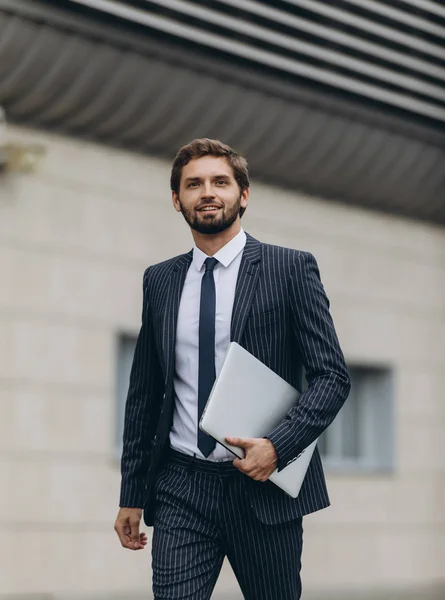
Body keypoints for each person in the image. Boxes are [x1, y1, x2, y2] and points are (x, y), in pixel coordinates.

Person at [114, 138, 350, 599]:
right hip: (181, 484)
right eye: (193, 184)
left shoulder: (290, 269)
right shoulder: (159, 280)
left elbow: (332, 377)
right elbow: (145, 393)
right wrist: (132, 492)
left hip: (260, 487)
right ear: (177, 200)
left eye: (220, 182)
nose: (207, 192)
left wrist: (277, 448)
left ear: (243, 194)